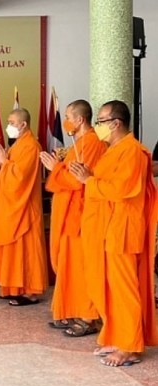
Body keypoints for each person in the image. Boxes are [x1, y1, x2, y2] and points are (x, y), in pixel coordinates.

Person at [69, 100, 158, 367]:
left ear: (116, 123)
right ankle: (118, 336)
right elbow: (104, 183)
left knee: (124, 289)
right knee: (108, 288)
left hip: (123, 228)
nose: (99, 126)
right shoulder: (113, 150)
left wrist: (89, 180)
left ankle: (130, 346)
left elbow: (121, 189)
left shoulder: (132, 151)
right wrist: (87, 174)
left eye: (102, 121)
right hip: (107, 228)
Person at [40, 100, 107, 336]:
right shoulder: (79, 143)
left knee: (81, 268)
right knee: (69, 268)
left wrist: (55, 168)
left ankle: (88, 317)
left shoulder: (91, 142)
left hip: (80, 215)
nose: (65, 120)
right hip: (69, 214)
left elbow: (75, 180)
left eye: (68, 115)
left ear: (79, 120)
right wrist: (59, 165)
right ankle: (70, 310)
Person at [0, 108, 48, 305]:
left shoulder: (31, 146)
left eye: (12, 122)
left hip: (24, 208)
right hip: (11, 207)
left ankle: (29, 292)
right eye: (8, 122)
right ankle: (13, 287)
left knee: (25, 249)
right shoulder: (18, 144)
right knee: (13, 249)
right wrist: (3, 163)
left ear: (23, 125)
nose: (9, 126)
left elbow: (21, 178)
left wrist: (5, 162)